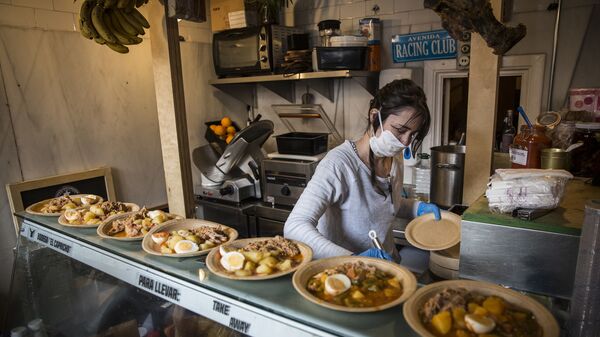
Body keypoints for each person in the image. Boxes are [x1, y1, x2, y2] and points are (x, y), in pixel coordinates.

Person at [284, 79, 441, 261]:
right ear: (375, 117)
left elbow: (384, 204)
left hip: (385, 268)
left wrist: (415, 207)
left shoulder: (394, 158)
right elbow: (295, 227)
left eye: (412, 134)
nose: (405, 142)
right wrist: (353, 258)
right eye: (400, 130)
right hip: (343, 273)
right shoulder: (339, 164)